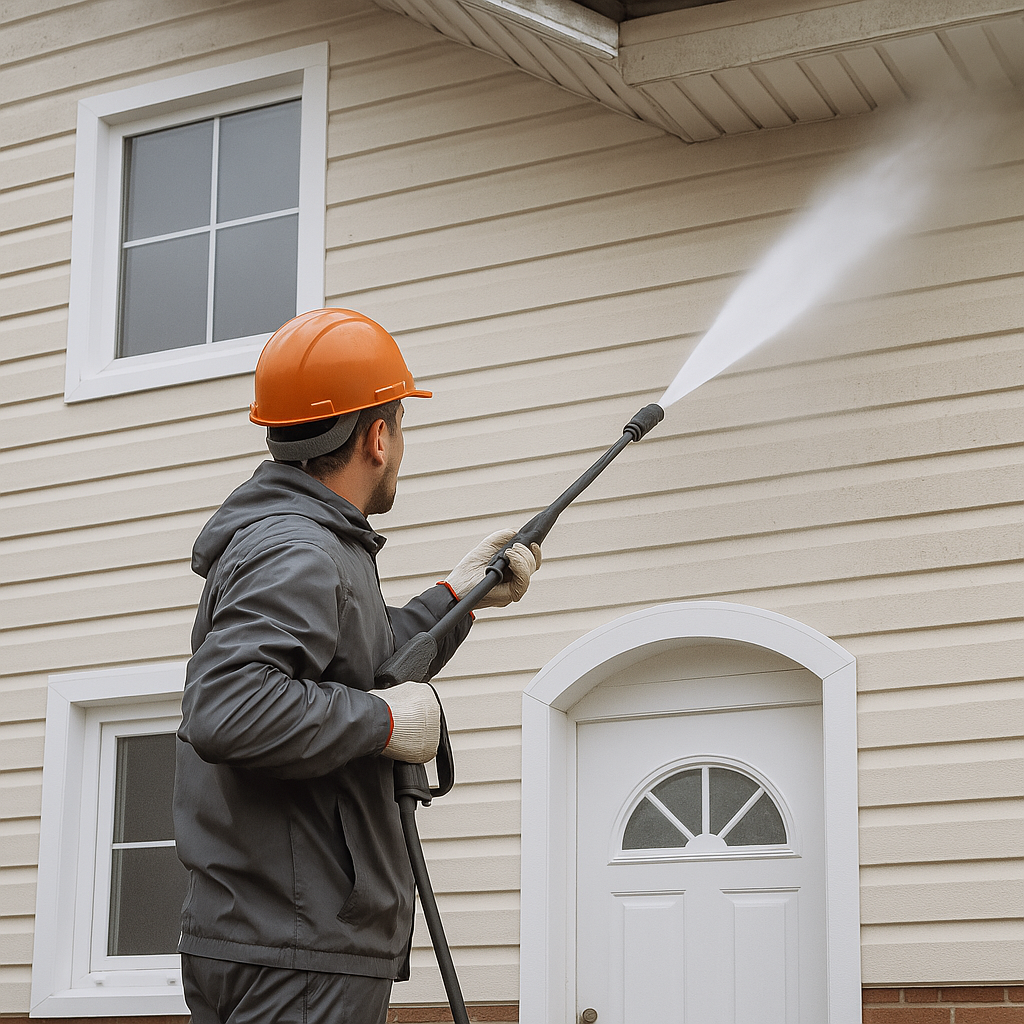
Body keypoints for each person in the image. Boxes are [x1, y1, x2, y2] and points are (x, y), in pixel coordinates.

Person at [173, 309, 541, 1024]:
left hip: (278, 939)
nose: (400, 448)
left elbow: (364, 664)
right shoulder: (300, 550)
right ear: (377, 437)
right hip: (298, 950)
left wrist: (457, 598)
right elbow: (228, 708)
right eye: (399, 429)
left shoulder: (304, 544)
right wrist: (384, 720)